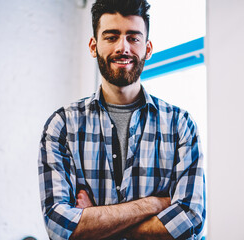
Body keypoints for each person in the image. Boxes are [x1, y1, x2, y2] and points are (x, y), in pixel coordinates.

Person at [38, 0, 206, 239]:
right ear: (93, 46)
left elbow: (189, 223)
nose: (123, 47)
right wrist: (155, 204)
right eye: (111, 37)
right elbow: (59, 226)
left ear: (147, 48)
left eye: (133, 38)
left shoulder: (180, 125)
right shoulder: (62, 125)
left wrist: (94, 219)